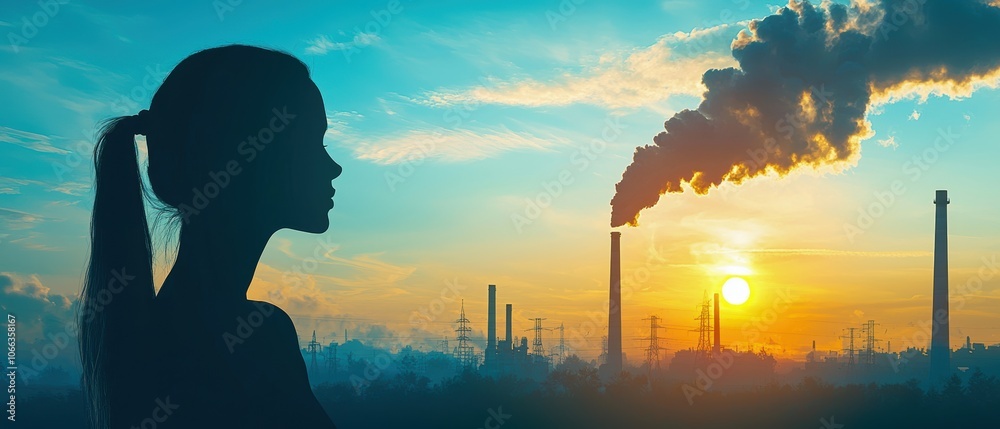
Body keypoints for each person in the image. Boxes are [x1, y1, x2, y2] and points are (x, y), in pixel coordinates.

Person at [78, 45, 342, 428]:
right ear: (250, 159)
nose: (333, 167)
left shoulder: (160, 331)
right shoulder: (254, 336)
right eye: (312, 143)